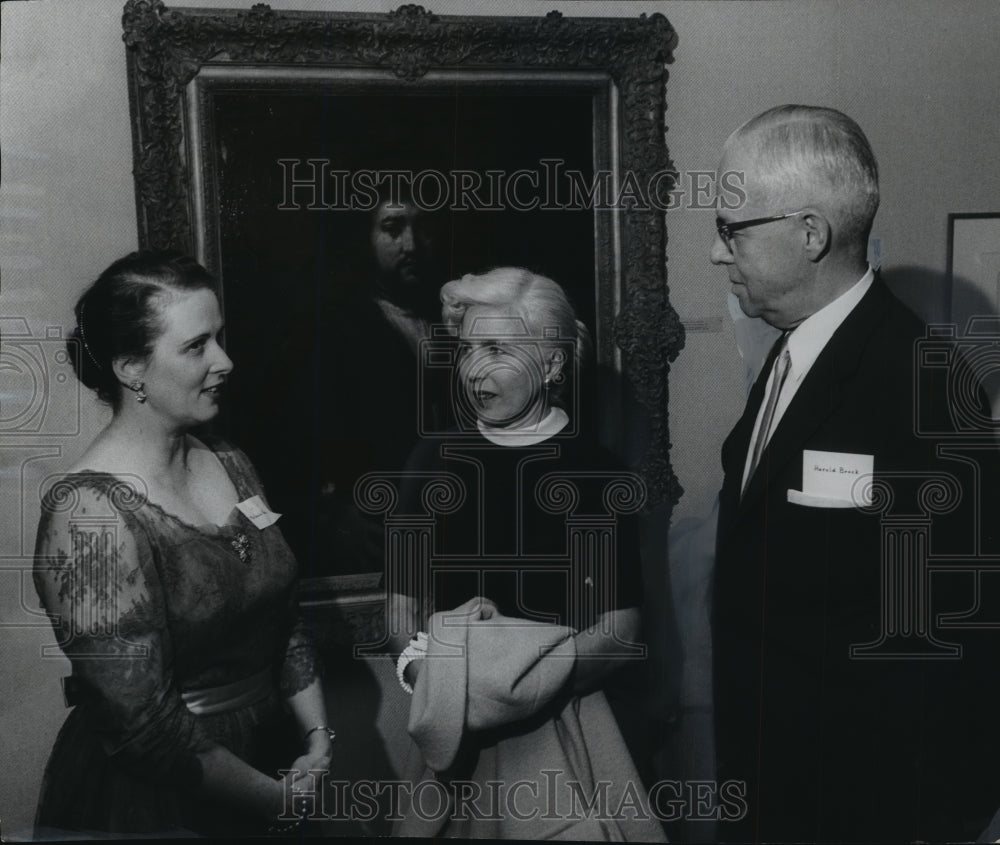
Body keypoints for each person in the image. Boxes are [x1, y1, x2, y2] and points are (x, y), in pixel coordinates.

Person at [710, 105, 1000, 841]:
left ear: (810, 233)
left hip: (864, 806)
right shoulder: (788, 356)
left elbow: (967, 633)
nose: (719, 255)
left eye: (730, 230)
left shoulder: (922, 383)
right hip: (769, 786)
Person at [32, 251, 333, 836]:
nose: (225, 361)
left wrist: (318, 742)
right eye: (197, 346)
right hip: (166, 797)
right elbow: (142, 725)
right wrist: (274, 802)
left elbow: (282, 618)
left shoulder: (228, 459)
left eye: (218, 338)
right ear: (131, 369)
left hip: (273, 756)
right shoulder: (88, 516)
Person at [384, 268, 666, 840]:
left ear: (553, 363)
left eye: (497, 349)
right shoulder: (432, 464)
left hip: (571, 739)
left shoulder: (595, 473)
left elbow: (621, 630)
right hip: (455, 744)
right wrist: (432, 678)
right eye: (467, 350)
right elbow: (400, 611)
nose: (475, 369)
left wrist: (516, 687)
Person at [275, 190, 445, 576]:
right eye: (392, 228)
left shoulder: (457, 319)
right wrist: (332, 520)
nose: (411, 245)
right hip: (377, 540)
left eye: (423, 228)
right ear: (365, 237)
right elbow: (294, 451)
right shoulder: (330, 330)